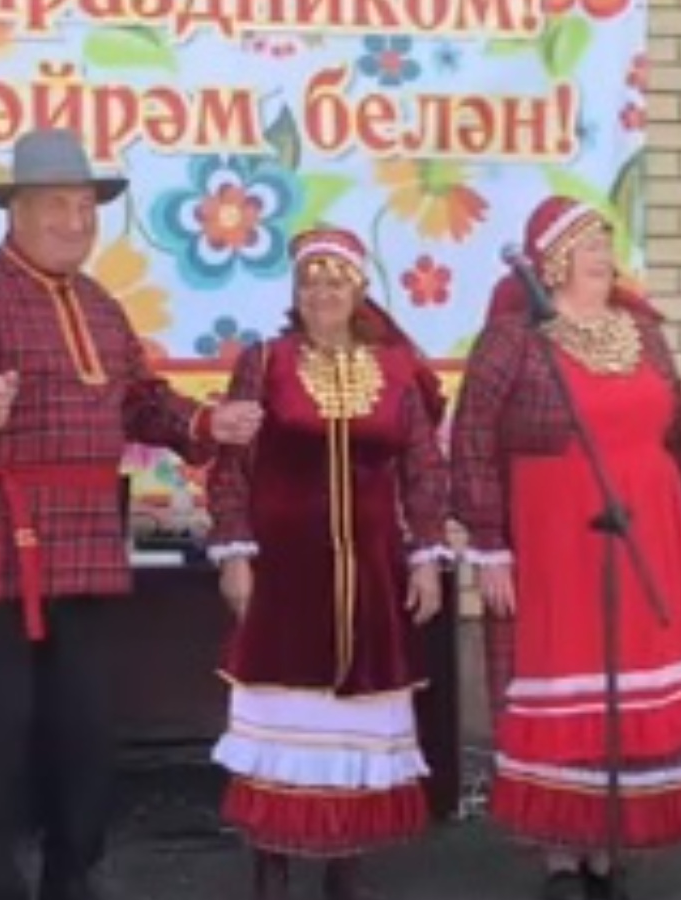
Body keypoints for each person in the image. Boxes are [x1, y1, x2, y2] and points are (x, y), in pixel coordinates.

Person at [0, 127, 263, 900]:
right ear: (16, 210)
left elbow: (141, 401)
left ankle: (71, 877)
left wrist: (207, 422)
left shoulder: (102, 306)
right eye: (57, 205)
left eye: (85, 207)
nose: (75, 221)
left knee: (83, 731)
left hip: (83, 541)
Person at [450, 196, 681, 900]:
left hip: (647, 531)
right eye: (587, 245)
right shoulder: (513, 340)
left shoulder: (642, 335)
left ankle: (610, 842)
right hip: (554, 541)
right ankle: (561, 849)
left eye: (605, 244)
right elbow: (472, 441)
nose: (602, 256)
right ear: (552, 262)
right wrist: (490, 545)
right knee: (561, 680)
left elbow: (678, 440)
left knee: (629, 682)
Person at [206, 227, 452, 900]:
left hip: (371, 575)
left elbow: (423, 468)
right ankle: (272, 874)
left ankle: (345, 871)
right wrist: (234, 551)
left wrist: (425, 555)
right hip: (285, 577)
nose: (322, 293)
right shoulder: (267, 362)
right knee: (283, 717)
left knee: (355, 728)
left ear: (360, 290)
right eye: (310, 281)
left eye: (335, 280)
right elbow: (232, 467)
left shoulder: (396, 371)